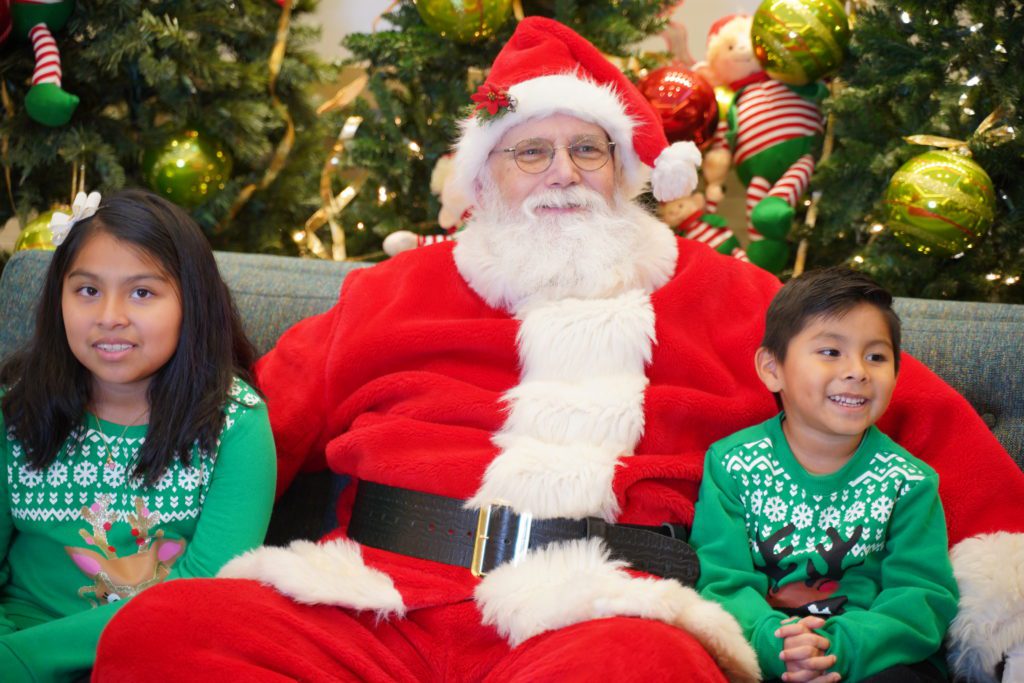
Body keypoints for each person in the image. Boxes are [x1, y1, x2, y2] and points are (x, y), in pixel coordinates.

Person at [94, 18, 1024, 683]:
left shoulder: (733, 297)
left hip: (606, 609)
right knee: (171, 633)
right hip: (372, 596)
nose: (563, 176)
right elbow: (242, 424)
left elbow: (891, 403)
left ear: (628, 173)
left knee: (638, 670)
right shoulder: (392, 292)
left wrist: (1005, 588)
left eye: (589, 150)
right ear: (482, 177)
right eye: (529, 152)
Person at [0, 188, 277, 681]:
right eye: (87, 290)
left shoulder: (237, 423)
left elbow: (201, 590)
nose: (110, 315)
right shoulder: (17, 408)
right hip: (18, 635)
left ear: (191, 302)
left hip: (156, 650)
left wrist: (24, 660)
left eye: (142, 292)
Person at [691, 267, 958, 683]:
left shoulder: (909, 481)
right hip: (765, 645)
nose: (858, 371)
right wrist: (777, 646)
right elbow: (722, 580)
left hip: (869, 655)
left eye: (876, 356)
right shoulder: (732, 464)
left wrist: (836, 648)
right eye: (831, 352)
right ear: (772, 367)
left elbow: (922, 598)